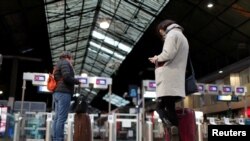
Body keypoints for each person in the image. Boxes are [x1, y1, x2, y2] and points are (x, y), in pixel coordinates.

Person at [148, 19, 189, 141]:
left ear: (163, 27)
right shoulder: (182, 36)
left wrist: (156, 58)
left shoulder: (171, 35)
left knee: (159, 107)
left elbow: (167, 54)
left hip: (168, 78)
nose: (161, 34)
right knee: (170, 107)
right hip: (176, 78)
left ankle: (172, 128)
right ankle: (176, 135)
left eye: (160, 31)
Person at [52, 51, 80, 141]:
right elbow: (66, 77)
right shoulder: (65, 63)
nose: (72, 61)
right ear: (68, 57)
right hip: (63, 93)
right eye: (72, 58)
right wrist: (77, 81)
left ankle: (55, 138)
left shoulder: (58, 64)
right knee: (62, 118)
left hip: (57, 93)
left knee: (57, 118)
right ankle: (59, 139)